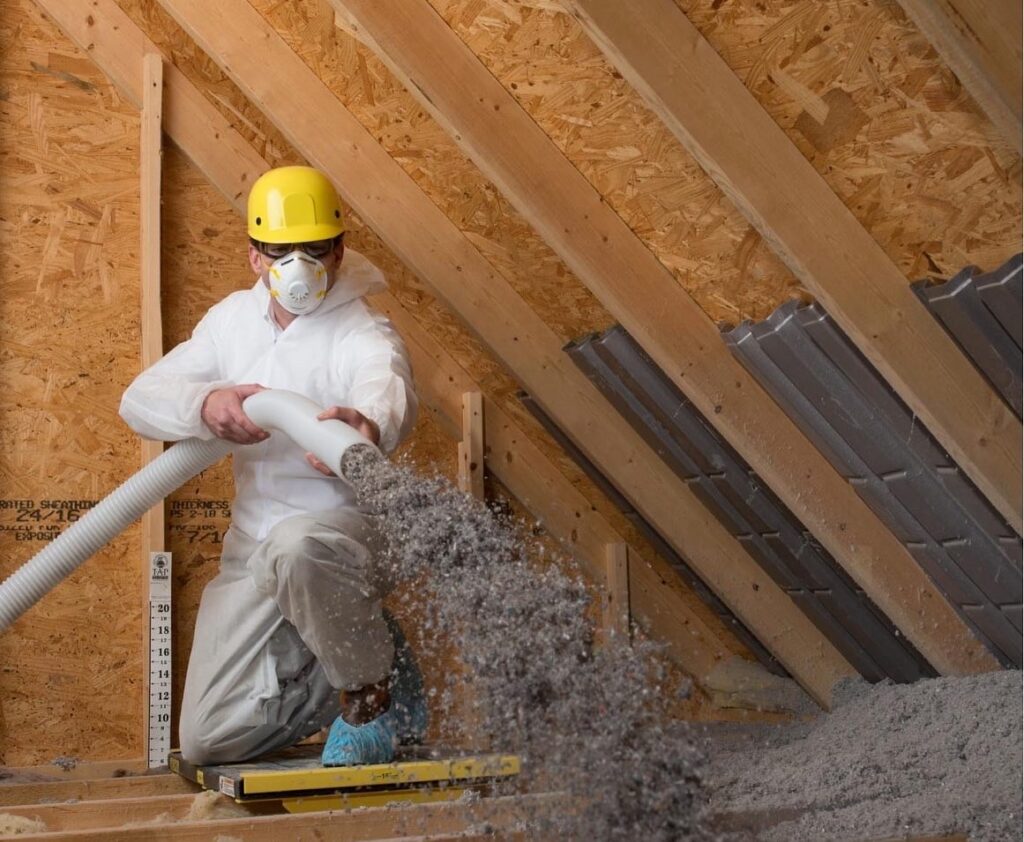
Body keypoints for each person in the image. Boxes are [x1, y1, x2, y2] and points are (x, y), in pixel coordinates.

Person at [119, 165, 423, 767]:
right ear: (256, 255)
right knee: (210, 740)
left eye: (314, 249)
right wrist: (205, 404)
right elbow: (140, 399)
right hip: (253, 550)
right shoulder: (231, 321)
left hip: (344, 540)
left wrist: (366, 428)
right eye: (281, 250)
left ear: (339, 249)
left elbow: (386, 390)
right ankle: (376, 651)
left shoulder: (362, 329)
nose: (298, 265)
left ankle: (372, 697)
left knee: (299, 545)